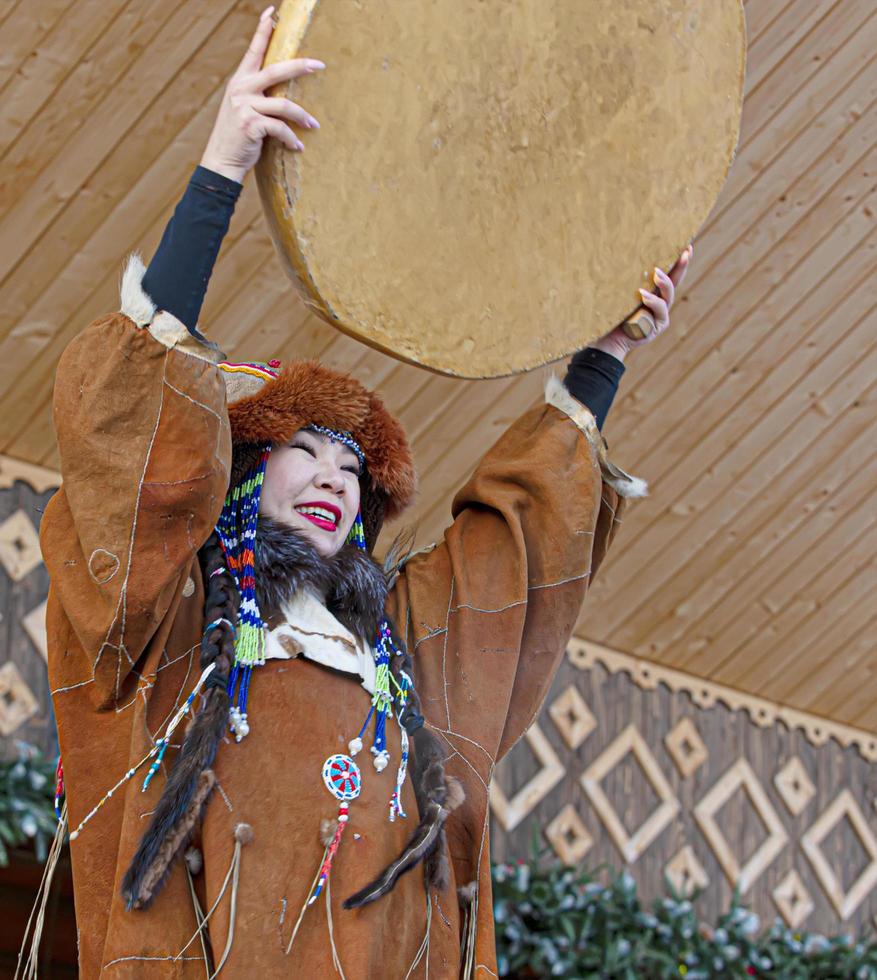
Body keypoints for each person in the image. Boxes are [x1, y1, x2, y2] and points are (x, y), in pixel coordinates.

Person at [41, 7, 690, 977]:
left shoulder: (396, 649)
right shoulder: (161, 621)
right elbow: (136, 459)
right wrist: (222, 166)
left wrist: (604, 355)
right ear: (239, 468)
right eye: (308, 449)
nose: (337, 477)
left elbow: (507, 555)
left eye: (355, 469)